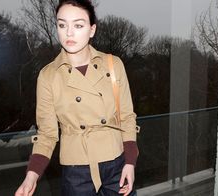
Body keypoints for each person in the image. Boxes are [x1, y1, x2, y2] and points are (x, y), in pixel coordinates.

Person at [15, 0, 139, 195]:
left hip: (117, 163)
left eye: (78, 25)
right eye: (62, 24)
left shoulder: (113, 64)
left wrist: (130, 162)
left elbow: (127, 117)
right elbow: (47, 134)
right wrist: (32, 175)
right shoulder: (48, 76)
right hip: (76, 172)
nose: (69, 33)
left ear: (92, 30)